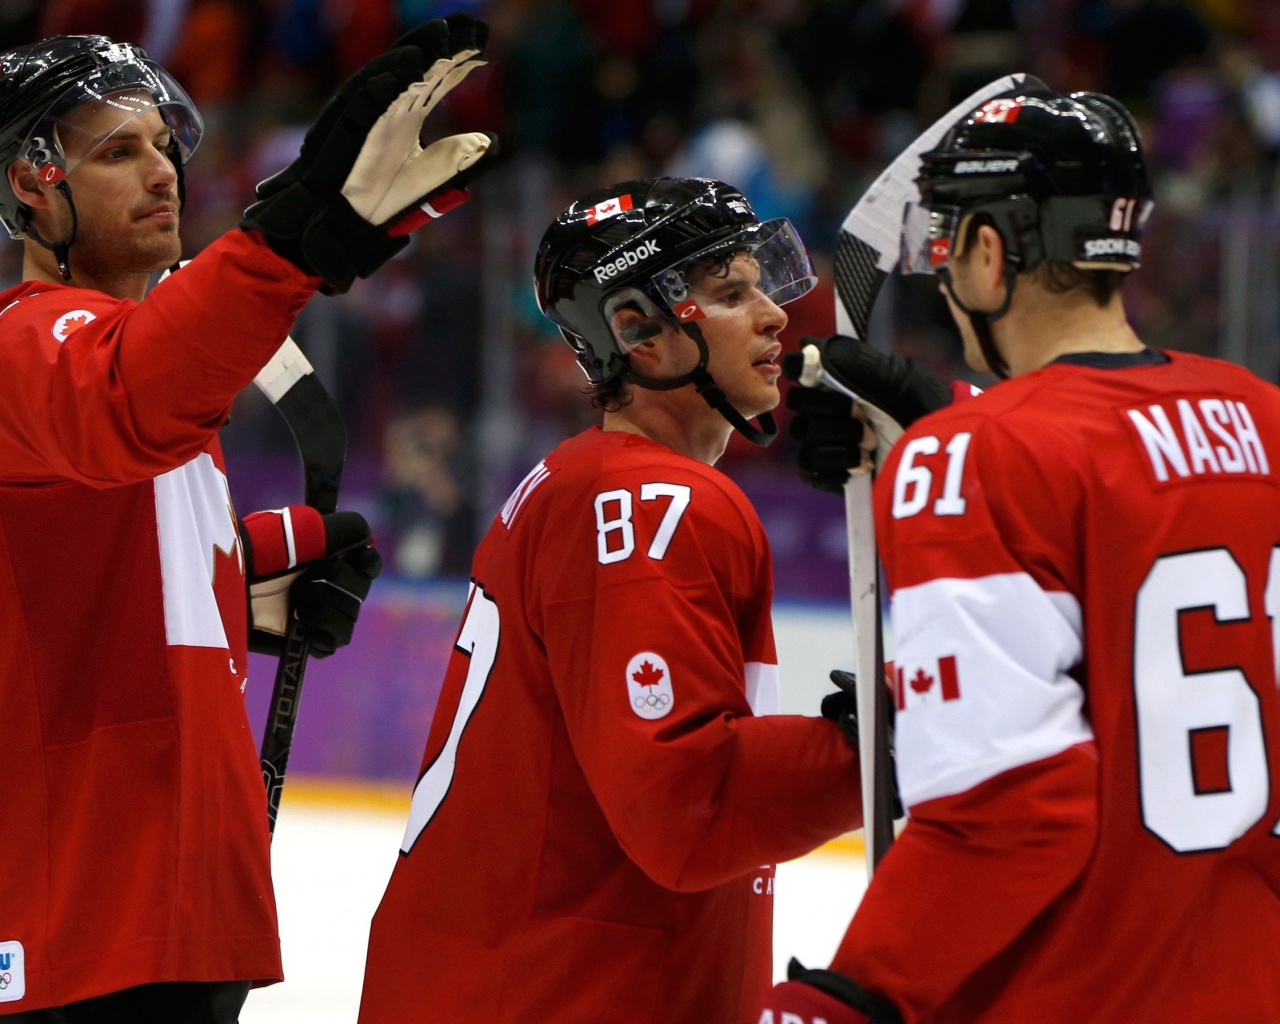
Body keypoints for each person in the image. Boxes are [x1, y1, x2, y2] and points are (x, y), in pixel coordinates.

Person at [0, 19, 495, 1022]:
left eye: (164, 147)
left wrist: (268, 571)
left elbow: (124, 574)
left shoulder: (148, 368)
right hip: (81, 917)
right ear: (29, 184)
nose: (162, 172)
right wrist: (296, 235)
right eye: (116, 152)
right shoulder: (32, 343)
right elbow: (124, 409)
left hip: (183, 898)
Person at [763, 86, 1280, 1023]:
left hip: (1075, 990)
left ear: (988, 252)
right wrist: (950, 418)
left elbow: (1009, 809)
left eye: (944, 247)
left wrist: (852, 996)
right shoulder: (1261, 416)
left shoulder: (967, 459)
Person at [358, 177, 864, 1024]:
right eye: (732, 293)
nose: (776, 314)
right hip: (562, 994)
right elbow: (685, 810)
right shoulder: (651, 503)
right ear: (637, 330)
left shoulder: (580, 480)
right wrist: (881, 755)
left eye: (762, 285)